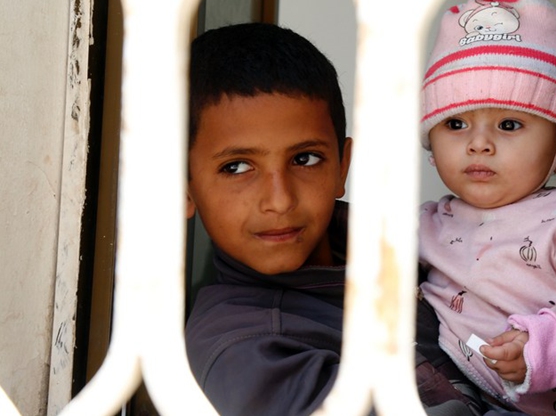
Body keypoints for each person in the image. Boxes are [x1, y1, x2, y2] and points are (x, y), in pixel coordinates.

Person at [183, 23, 485, 416]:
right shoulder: (243, 352)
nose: (279, 200)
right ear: (183, 187)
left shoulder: (426, 250)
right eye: (237, 167)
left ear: (342, 165)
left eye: (304, 159)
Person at [417, 0, 556, 416]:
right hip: (463, 395)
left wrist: (550, 341)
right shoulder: (425, 226)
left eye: (508, 124)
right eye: (455, 123)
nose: (479, 144)